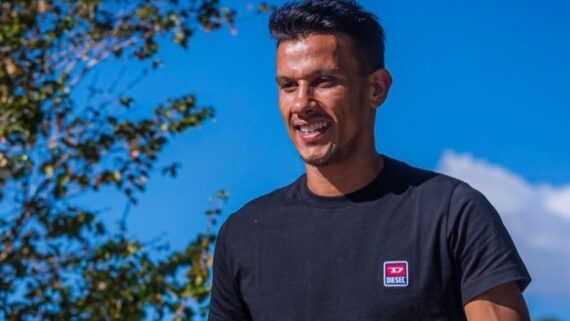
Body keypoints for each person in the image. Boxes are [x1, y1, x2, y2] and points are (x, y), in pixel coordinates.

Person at [208, 0, 531, 320]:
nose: (302, 103)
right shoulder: (244, 235)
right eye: (289, 86)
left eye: (323, 82)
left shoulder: (450, 212)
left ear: (376, 88)